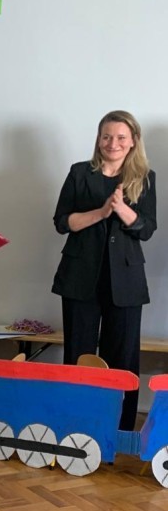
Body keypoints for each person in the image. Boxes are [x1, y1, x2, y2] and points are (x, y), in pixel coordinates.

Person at [52, 110, 156, 430]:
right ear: (98, 139)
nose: (113, 143)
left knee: (122, 358)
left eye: (121, 137)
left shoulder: (145, 177)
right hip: (80, 278)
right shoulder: (79, 172)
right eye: (106, 136)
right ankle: (76, 424)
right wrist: (101, 212)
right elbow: (62, 222)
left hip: (125, 281)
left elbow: (147, 229)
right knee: (78, 354)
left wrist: (122, 209)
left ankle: (120, 428)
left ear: (133, 141)